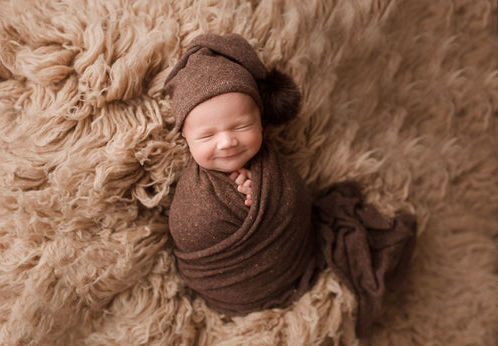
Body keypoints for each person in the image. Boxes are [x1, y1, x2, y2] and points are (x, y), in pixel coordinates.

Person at [164, 33, 417, 337]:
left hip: (294, 263)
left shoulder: (273, 168)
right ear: (186, 140)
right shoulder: (194, 193)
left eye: (241, 126)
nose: (227, 141)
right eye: (207, 136)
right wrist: (239, 206)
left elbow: (295, 207)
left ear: (261, 121)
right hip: (230, 291)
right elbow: (189, 232)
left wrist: (262, 197)